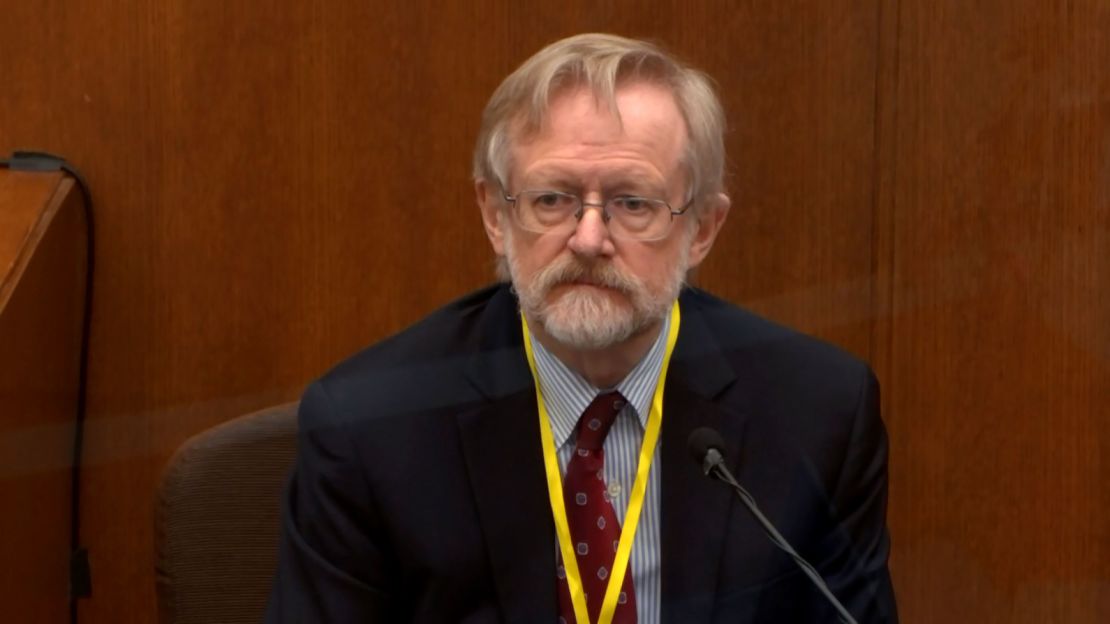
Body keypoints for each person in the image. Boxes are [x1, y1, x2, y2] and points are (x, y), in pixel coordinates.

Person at [266, 33, 898, 623]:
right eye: (552, 199)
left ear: (701, 228)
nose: (589, 239)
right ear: (495, 215)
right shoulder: (371, 428)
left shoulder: (818, 416)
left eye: (632, 203)